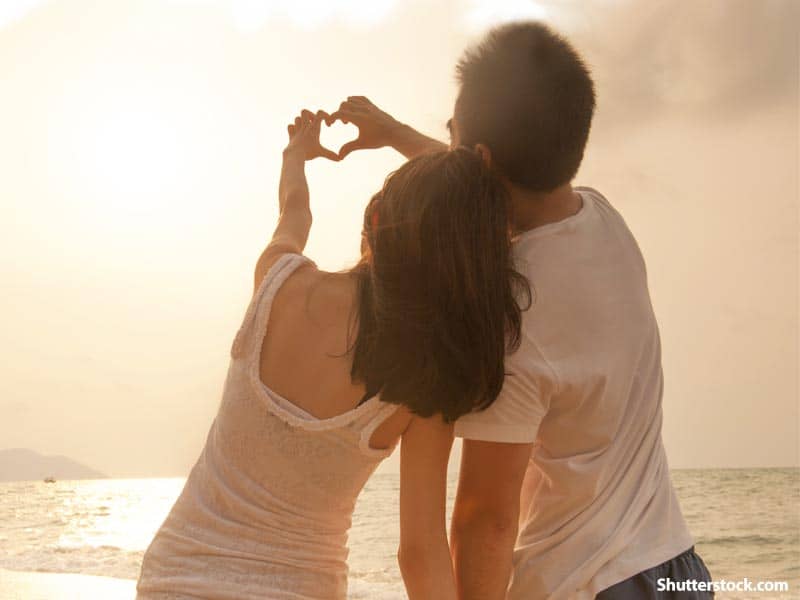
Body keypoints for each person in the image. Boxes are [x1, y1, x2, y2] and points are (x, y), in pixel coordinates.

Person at [328, 22, 714, 600]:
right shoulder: (605, 222)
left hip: (582, 585)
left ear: (478, 157)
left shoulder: (506, 318)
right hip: (675, 567)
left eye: (453, 134)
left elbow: (485, 519)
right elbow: (489, 186)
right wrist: (399, 134)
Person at [135, 109, 529, 600]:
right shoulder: (423, 383)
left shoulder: (277, 281)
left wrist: (296, 155)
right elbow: (420, 553)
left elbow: (294, 211)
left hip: (172, 579)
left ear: (377, 217)